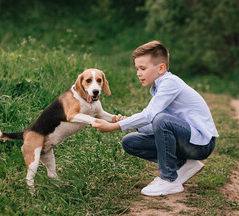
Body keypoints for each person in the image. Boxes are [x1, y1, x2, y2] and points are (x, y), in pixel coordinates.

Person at [92, 40, 219, 196]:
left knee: (161, 119)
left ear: (161, 68)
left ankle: (169, 180)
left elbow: (153, 116)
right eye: (137, 69)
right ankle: (183, 164)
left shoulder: (170, 83)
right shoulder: (158, 87)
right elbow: (157, 122)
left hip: (201, 144)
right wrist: (127, 122)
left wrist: (113, 127)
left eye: (143, 68)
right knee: (130, 142)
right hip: (187, 140)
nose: (138, 73)